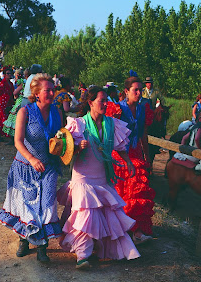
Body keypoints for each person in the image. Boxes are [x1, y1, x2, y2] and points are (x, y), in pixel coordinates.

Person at [58, 86, 140, 269]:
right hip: (83, 177)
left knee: (109, 214)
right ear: (90, 103)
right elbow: (65, 151)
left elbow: (120, 147)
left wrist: (128, 162)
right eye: (101, 100)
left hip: (101, 176)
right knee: (86, 214)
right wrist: (78, 147)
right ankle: (83, 255)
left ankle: (113, 250)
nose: (105, 104)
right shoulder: (78, 124)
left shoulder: (111, 124)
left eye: (106, 100)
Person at [0, 74, 64, 262]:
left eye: (53, 89)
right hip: (25, 166)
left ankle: (43, 246)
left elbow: (63, 135)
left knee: (47, 204)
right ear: (36, 93)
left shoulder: (57, 112)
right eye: (47, 90)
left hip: (49, 166)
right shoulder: (25, 111)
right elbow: (17, 142)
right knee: (27, 205)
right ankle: (24, 240)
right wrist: (32, 159)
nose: (51, 93)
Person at [107, 76, 155, 244]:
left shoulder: (143, 109)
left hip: (135, 152)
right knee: (122, 191)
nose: (138, 93)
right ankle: (121, 228)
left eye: (140, 90)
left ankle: (137, 230)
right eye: (135, 90)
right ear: (126, 91)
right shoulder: (117, 109)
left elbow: (143, 134)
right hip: (119, 153)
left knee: (139, 189)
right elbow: (110, 134)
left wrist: (147, 155)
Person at [0, 68, 15, 142]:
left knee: (6, 118)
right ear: (4, 75)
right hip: (1, 103)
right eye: (7, 73)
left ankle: (3, 134)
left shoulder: (10, 84)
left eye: (10, 73)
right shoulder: (2, 83)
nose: (9, 75)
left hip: (8, 103)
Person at [2, 69, 25, 140]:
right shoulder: (25, 82)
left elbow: (15, 93)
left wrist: (16, 95)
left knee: (14, 119)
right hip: (23, 101)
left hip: (19, 101)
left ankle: (13, 138)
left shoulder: (21, 83)